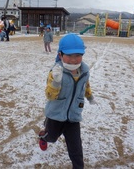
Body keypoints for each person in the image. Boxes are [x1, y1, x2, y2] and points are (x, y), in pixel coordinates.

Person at [38, 34, 97, 169]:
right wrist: (56, 82)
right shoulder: (56, 71)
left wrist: (90, 97)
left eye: (77, 55)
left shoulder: (84, 71)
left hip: (73, 116)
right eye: (69, 55)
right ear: (60, 55)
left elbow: (85, 85)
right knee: (51, 138)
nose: (73, 60)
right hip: (55, 115)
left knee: (76, 148)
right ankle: (43, 137)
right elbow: (50, 95)